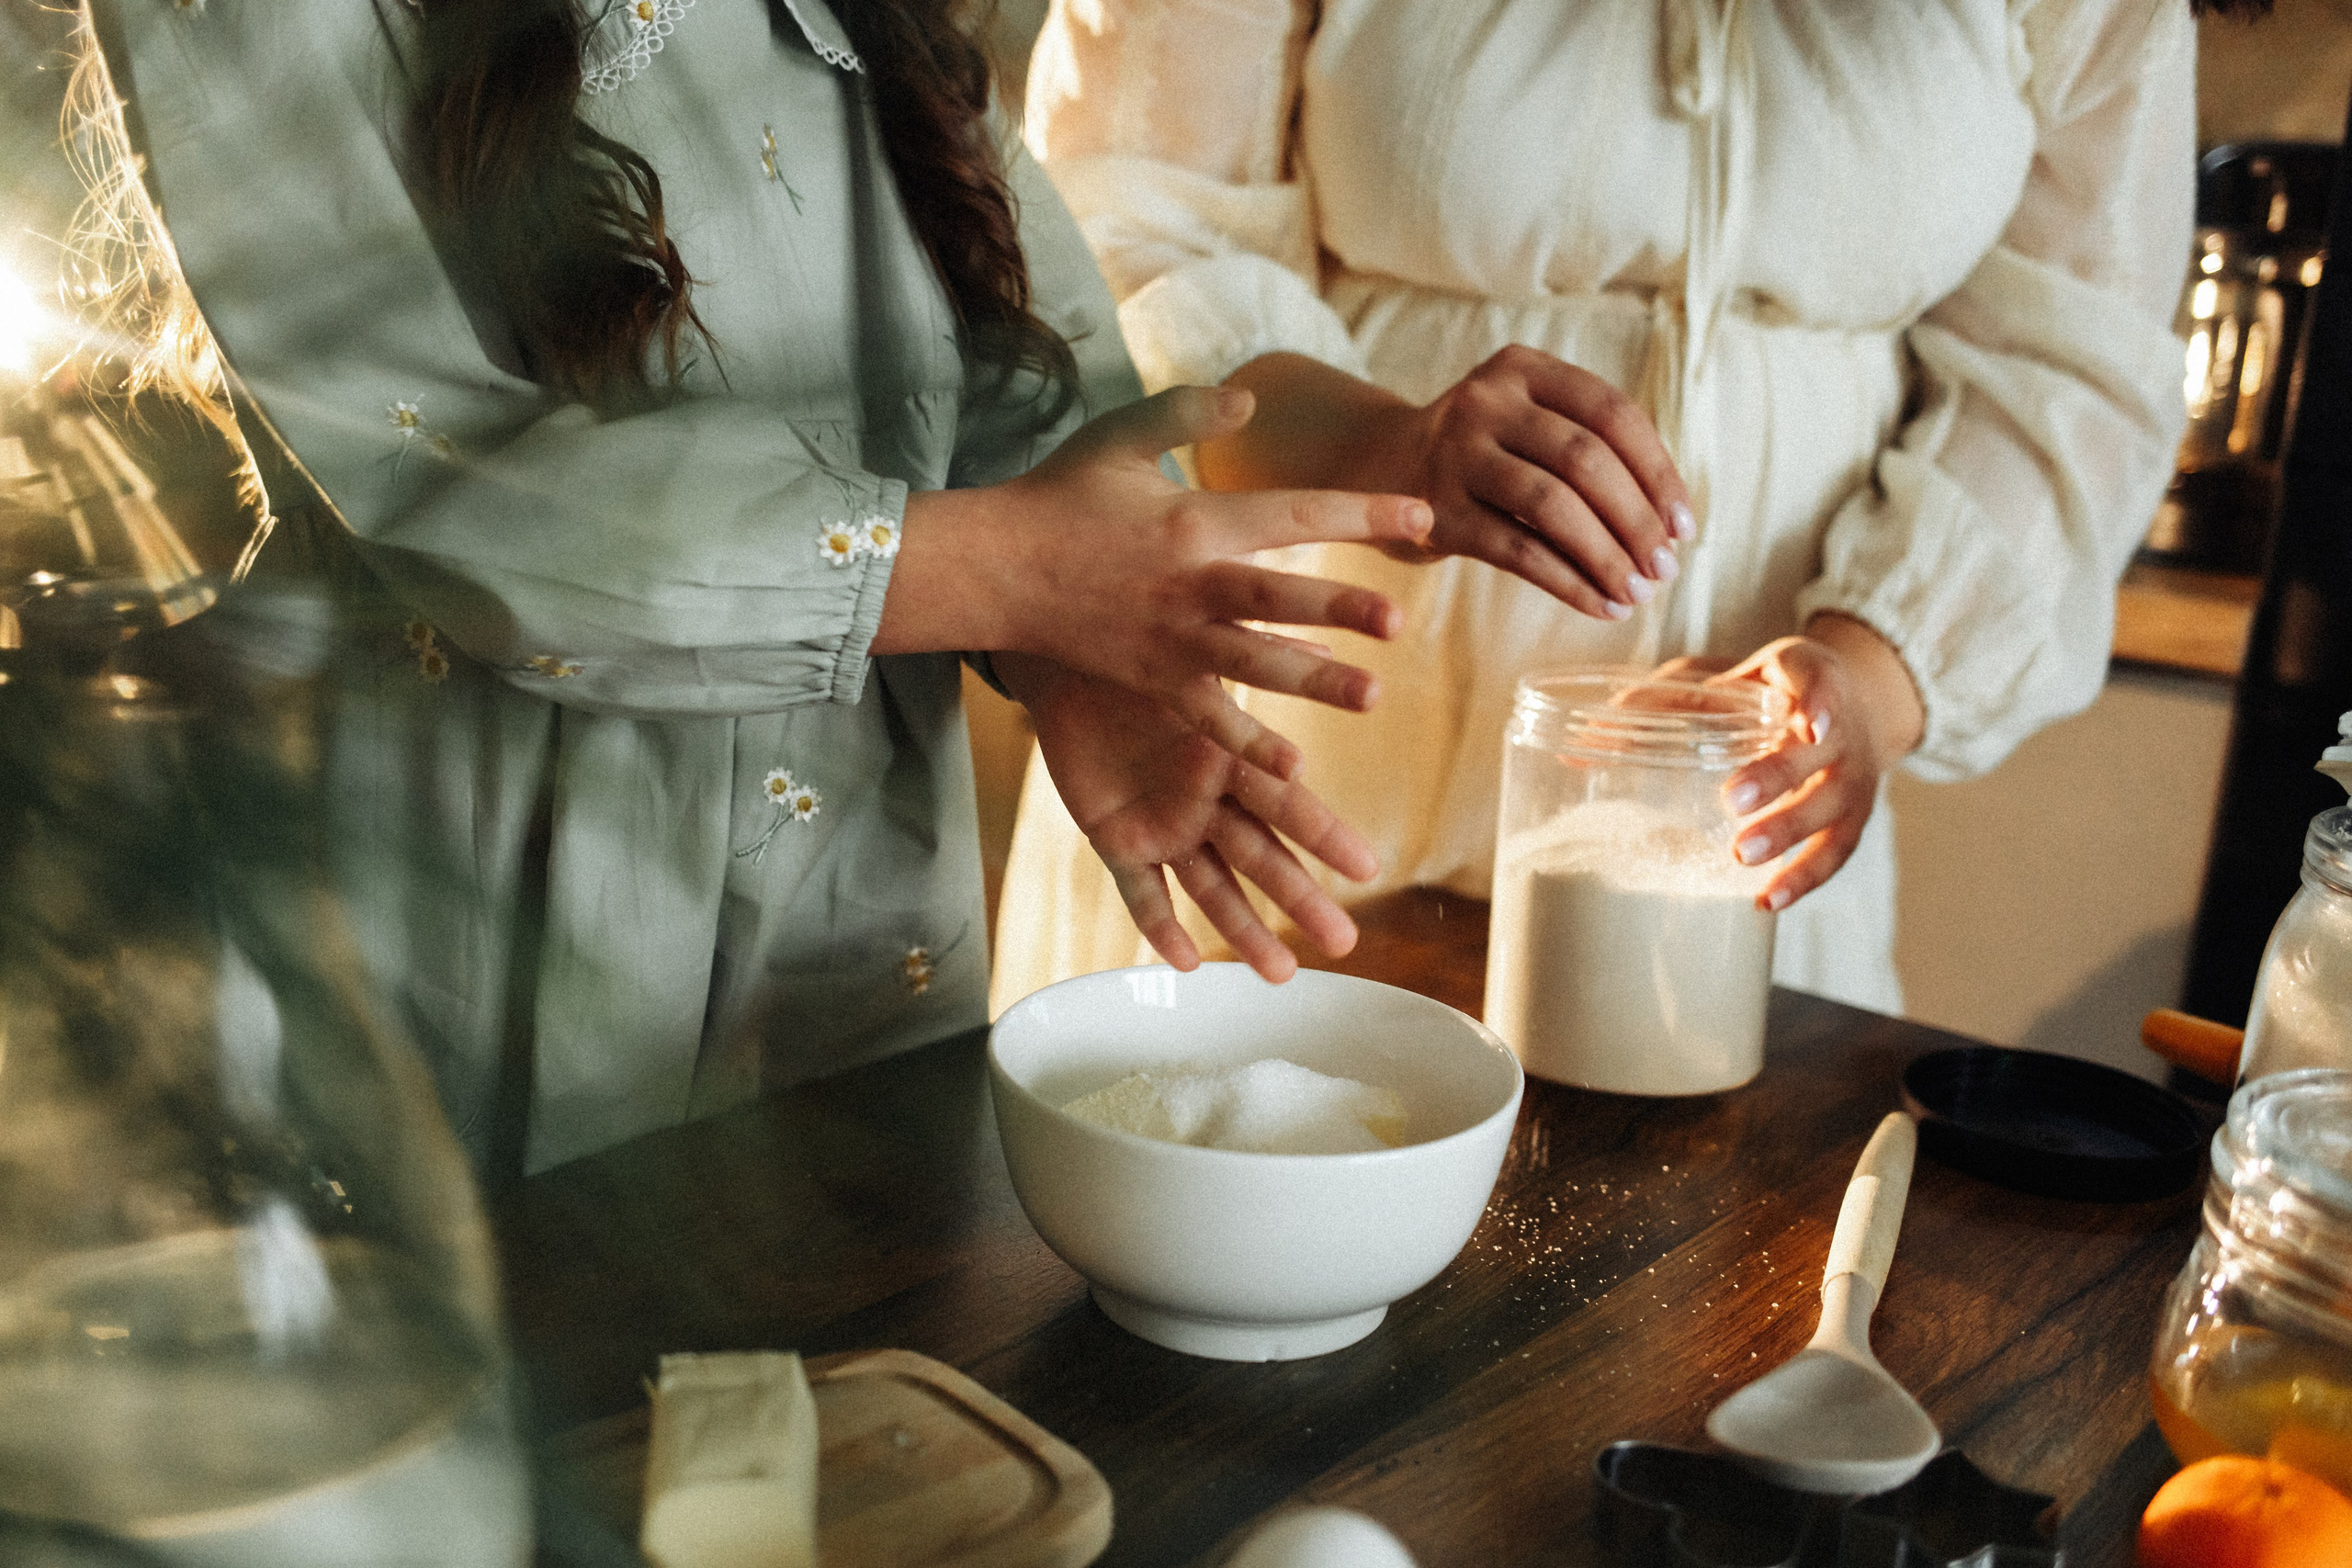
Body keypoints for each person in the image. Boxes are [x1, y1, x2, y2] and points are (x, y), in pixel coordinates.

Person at [54, 0, 1438, 1176]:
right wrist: (1015, 575)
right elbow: (448, 486)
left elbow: (1013, 316)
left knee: (868, 1398)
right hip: (491, 905)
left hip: (867, 887)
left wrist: (1076, 641)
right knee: (557, 1418)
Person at [995, 0, 2194, 1018]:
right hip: (1287, 785)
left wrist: (1870, 688)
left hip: (1737, 844)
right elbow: (1120, 238)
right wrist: (1384, 441)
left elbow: (2082, 374)